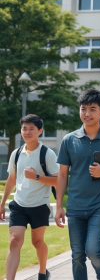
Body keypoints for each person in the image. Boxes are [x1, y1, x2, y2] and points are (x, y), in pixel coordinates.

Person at [55, 89, 100, 280]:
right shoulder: (69, 140)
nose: (87, 113)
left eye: (92, 109)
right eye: (83, 109)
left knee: (93, 250)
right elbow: (62, 175)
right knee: (77, 255)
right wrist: (59, 206)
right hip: (75, 205)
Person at [0, 115, 59, 280]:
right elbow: (12, 179)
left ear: (40, 131)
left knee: (37, 242)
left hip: (39, 205)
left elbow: (57, 181)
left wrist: (37, 177)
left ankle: (42, 271)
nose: (27, 132)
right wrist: (2, 202)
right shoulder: (16, 154)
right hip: (18, 204)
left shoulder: (48, 154)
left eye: (31, 128)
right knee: (14, 240)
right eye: (24, 128)